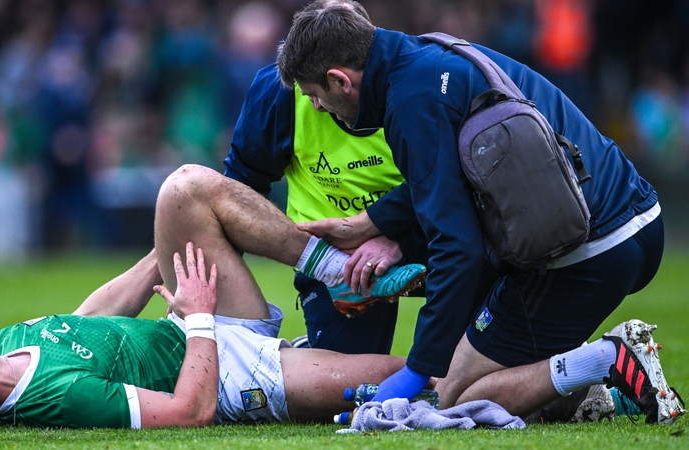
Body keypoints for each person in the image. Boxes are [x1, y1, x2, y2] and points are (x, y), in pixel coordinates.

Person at [275, 1, 685, 424]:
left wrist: (416, 371)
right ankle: (596, 395)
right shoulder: (430, 56)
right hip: (636, 216)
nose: (318, 109)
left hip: (591, 251)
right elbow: (449, 175)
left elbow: (457, 248)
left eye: (314, 97)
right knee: (481, 368)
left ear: (339, 81)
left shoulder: (410, 101)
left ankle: (610, 359)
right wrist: (372, 224)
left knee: (452, 396)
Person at [0, 164, 426, 429]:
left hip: (201, 326)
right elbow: (187, 412)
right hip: (229, 380)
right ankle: (495, 361)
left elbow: (89, 318)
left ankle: (332, 265)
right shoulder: (53, 399)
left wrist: (170, 245)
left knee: (184, 189)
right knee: (420, 374)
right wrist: (197, 318)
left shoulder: (11, 342)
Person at [223, 0, 437, 354]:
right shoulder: (280, 91)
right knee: (340, 390)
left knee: (470, 383)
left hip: (429, 240)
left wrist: (397, 240)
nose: (315, 105)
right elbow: (237, 192)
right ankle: (311, 349)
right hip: (336, 263)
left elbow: (451, 188)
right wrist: (210, 296)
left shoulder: (416, 89)